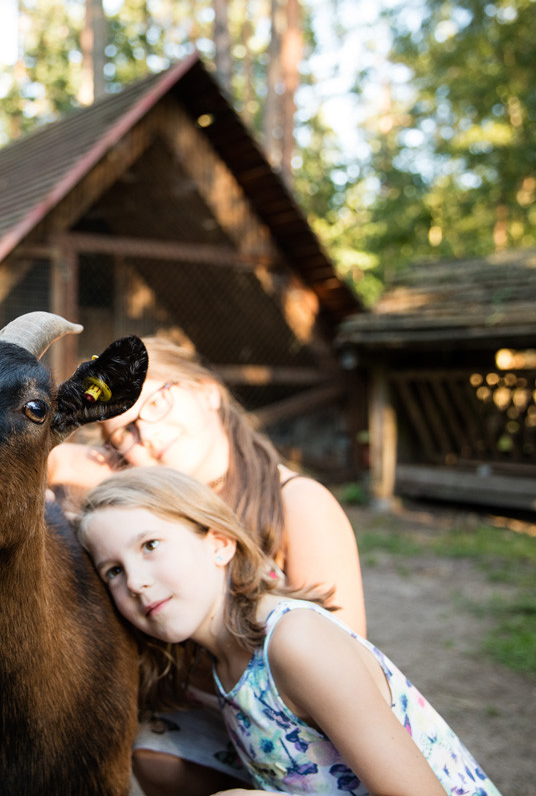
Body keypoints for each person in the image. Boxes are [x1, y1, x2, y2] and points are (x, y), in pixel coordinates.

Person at [48, 336, 365, 793]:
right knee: (154, 749)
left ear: (207, 390)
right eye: (125, 433)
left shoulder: (298, 503)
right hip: (228, 711)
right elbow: (43, 456)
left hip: (310, 721)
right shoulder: (139, 497)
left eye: (156, 402)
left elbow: (347, 668)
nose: (148, 434)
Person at [78, 467, 501, 796]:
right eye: (113, 571)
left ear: (219, 544)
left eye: (150, 546)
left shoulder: (295, 641)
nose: (135, 582)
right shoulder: (219, 661)